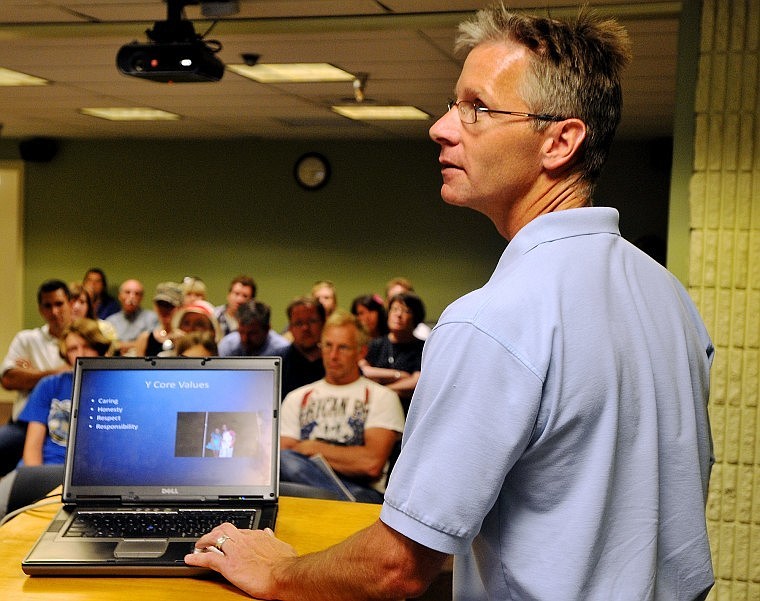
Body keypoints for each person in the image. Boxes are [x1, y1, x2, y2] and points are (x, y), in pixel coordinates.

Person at [186, 7, 714, 601]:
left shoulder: (492, 320)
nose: (441, 127)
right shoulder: (666, 293)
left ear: (560, 141)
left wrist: (278, 570)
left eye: (476, 108)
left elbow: (398, 567)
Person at [278, 311, 404, 503]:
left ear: (361, 352)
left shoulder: (382, 397)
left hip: (363, 493)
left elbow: (370, 464)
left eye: (343, 347)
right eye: (328, 345)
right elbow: (285, 456)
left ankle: (343, 501)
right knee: (284, 465)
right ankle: (338, 500)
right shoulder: (298, 397)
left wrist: (311, 447)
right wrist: (344, 458)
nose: (333, 355)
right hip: (305, 492)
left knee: (291, 466)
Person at [0, 318, 113, 519]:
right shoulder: (50, 384)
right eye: (72, 348)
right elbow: (32, 448)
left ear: (99, 347)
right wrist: (34, 482)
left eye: (86, 346)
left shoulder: (115, 386)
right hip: (43, 471)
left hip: (88, 481)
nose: (80, 353)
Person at [0, 280, 72, 477]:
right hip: (25, 423)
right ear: (40, 309)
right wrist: (57, 372)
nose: (54, 311)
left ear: (70, 303)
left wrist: (32, 373)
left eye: (59, 304)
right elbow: (8, 380)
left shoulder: (78, 341)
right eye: (47, 306)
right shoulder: (27, 339)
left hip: (64, 424)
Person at [359, 292, 425, 412]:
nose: (398, 314)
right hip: (375, 409)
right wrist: (398, 375)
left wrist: (384, 390)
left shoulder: (422, 347)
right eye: (394, 309)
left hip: (407, 410)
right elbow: (364, 371)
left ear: (416, 317)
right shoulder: (376, 344)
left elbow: (415, 382)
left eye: (406, 311)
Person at [280, 296, 326, 396]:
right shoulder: (276, 363)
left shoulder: (336, 361)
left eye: (311, 321)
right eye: (298, 323)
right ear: (290, 328)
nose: (305, 328)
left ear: (323, 324)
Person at [218, 300, 289, 358]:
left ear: (267, 329)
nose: (245, 338)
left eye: (252, 333)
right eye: (241, 332)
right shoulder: (228, 345)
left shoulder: (283, 350)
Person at [105, 279, 158, 355]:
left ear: (141, 298)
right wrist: (136, 344)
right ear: (120, 296)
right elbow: (107, 347)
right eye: (127, 292)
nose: (132, 297)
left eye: (137, 294)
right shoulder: (110, 321)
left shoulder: (152, 318)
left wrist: (121, 345)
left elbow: (152, 344)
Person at [133, 282, 184, 356]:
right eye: (160, 305)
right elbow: (138, 366)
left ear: (179, 308)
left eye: (169, 306)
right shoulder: (145, 338)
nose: (164, 310)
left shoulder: (185, 339)